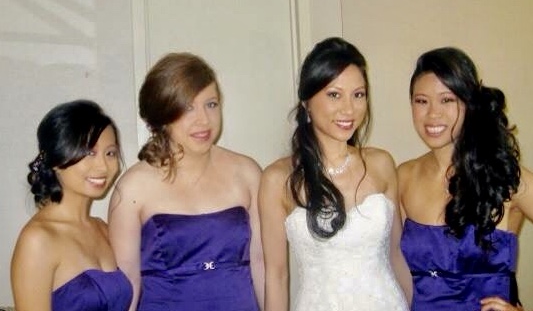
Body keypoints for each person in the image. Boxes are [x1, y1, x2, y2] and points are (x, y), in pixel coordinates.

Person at [259, 37, 412, 311]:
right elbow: (277, 276)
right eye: (334, 95)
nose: (349, 109)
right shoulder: (277, 178)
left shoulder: (381, 163)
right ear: (307, 101)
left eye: (358, 95)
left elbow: (397, 254)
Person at [108, 52, 264, 311]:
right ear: (163, 115)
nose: (204, 120)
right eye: (188, 108)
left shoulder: (248, 173)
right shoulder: (133, 188)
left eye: (211, 104)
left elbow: (261, 263)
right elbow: (128, 285)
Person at [399, 47, 533, 311]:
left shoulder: (507, 178)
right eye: (422, 101)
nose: (433, 114)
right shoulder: (403, 176)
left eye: (447, 100)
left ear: (469, 103)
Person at [10, 100, 132, 311]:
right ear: (56, 160)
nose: (103, 166)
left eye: (110, 153)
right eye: (89, 152)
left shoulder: (103, 229)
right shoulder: (37, 240)